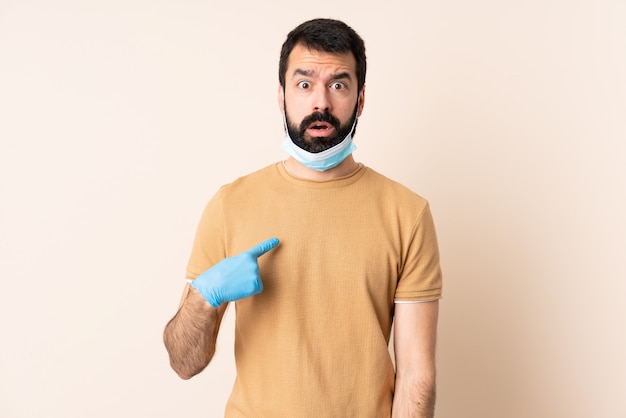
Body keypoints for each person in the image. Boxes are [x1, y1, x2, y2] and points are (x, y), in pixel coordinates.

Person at [163, 18, 443, 418]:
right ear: (282, 96)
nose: (321, 104)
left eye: (339, 85)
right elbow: (183, 362)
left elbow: (417, 375)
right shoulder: (230, 204)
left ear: (360, 99)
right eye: (305, 83)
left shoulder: (407, 213)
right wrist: (204, 297)